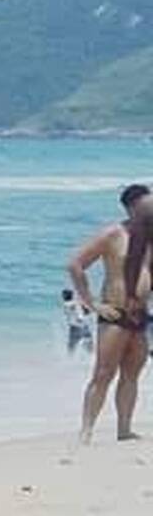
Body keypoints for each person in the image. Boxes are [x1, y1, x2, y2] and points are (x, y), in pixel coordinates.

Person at [68, 183, 150, 442]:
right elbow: (76, 264)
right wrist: (92, 303)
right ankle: (86, 430)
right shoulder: (114, 234)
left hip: (141, 315)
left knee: (132, 374)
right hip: (114, 313)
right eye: (148, 204)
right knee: (103, 373)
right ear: (132, 207)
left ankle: (124, 429)